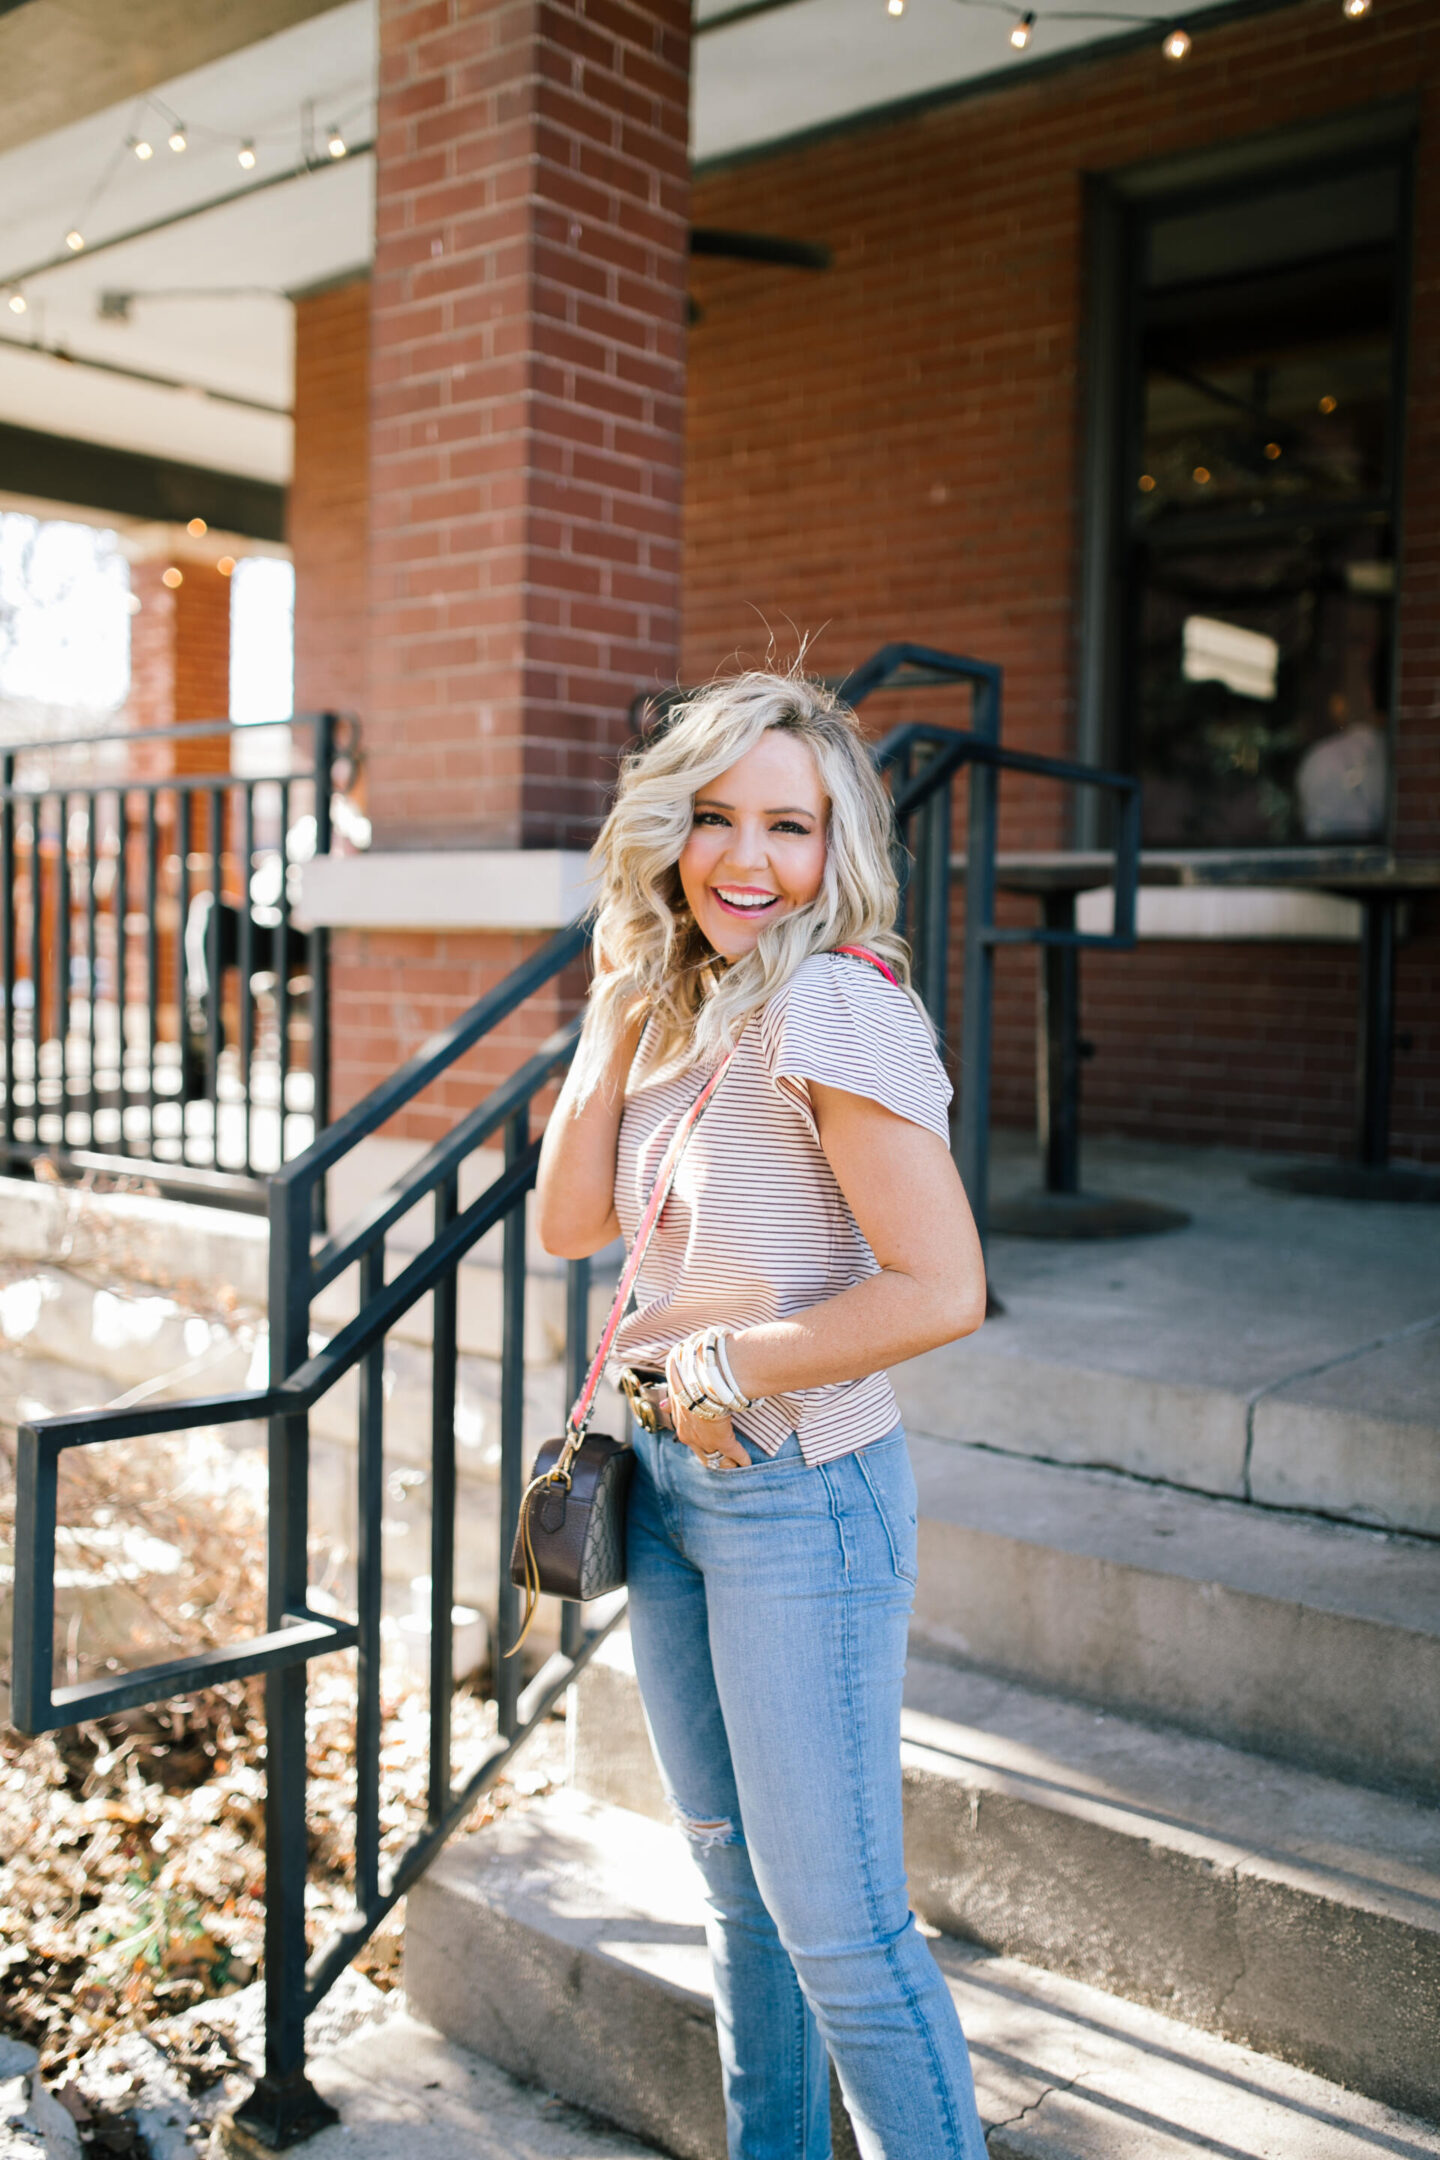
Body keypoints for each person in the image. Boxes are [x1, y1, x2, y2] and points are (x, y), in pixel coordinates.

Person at [536, 668, 989, 2160]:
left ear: (836, 846)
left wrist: (721, 1368)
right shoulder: (683, 1001)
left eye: (787, 827)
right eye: (712, 818)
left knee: (841, 1932)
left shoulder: (834, 1001)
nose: (746, 860)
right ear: (665, 830)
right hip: (670, 1490)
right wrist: (610, 1008)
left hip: (800, 1488)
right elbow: (565, 1225)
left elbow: (941, 1288)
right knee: (736, 1900)